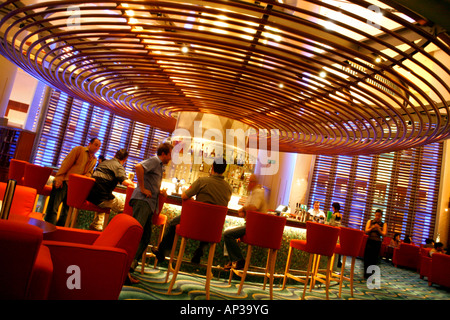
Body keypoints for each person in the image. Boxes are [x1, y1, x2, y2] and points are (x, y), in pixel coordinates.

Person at [152, 158, 232, 265]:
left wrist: (189, 196)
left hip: (193, 225)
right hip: (213, 231)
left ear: (212, 167)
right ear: (224, 170)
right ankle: (200, 251)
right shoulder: (228, 188)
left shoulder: (202, 181)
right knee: (210, 221)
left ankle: (162, 252)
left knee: (173, 223)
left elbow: (184, 196)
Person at [128, 142, 173, 282]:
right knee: (136, 236)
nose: (172, 157)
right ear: (164, 153)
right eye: (171, 154)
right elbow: (138, 167)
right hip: (143, 201)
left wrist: (158, 191)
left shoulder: (159, 166)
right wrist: (142, 188)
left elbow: (149, 179)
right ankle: (125, 269)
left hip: (148, 203)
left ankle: (129, 268)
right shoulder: (155, 160)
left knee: (145, 237)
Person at [44, 138, 101, 226]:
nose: (97, 148)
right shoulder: (79, 150)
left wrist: (85, 179)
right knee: (53, 208)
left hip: (75, 187)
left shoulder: (94, 159)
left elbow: (90, 172)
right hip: (64, 181)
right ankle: (48, 228)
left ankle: (59, 231)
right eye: (96, 145)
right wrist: (59, 178)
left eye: (99, 146)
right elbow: (67, 163)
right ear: (89, 144)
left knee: (67, 211)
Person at [223, 174, 267, 270]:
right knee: (229, 231)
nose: (248, 184)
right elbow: (250, 210)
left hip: (255, 228)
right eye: (248, 182)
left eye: (250, 182)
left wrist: (243, 208)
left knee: (228, 234)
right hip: (251, 225)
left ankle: (239, 260)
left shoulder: (258, 192)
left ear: (254, 183)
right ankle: (234, 261)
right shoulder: (253, 194)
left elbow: (254, 207)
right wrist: (244, 212)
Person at [86, 149, 135, 231]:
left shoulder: (104, 163)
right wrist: (132, 183)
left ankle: (96, 225)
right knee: (125, 207)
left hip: (91, 196)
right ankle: (118, 232)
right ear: (125, 159)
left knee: (106, 196)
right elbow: (126, 182)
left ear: (115, 155)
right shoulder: (118, 166)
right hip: (102, 199)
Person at [363, 209, 387, 279]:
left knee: (374, 259)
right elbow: (366, 231)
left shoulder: (383, 224)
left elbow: (384, 234)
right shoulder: (370, 221)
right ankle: (365, 274)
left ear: (381, 216)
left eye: (379, 216)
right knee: (367, 258)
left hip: (377, 243)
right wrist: (372, 227)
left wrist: (378, 229)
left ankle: (371, 275)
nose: (377, 217)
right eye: (376, 215)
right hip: (370, 241)